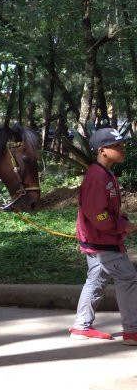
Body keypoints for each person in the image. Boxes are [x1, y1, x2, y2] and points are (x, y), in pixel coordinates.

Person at [70, 127, 137, 344]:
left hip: (98, 240)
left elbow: (103, 208)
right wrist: (121, 226)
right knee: (129, 279)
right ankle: (132, 331)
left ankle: (81, 327)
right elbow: (97, 215)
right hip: (103, 242)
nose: (122, 149)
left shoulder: (105, 174)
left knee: (96, 280)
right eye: (117, 146)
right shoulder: (97, 176)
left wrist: (121, 218)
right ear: (103, 151)